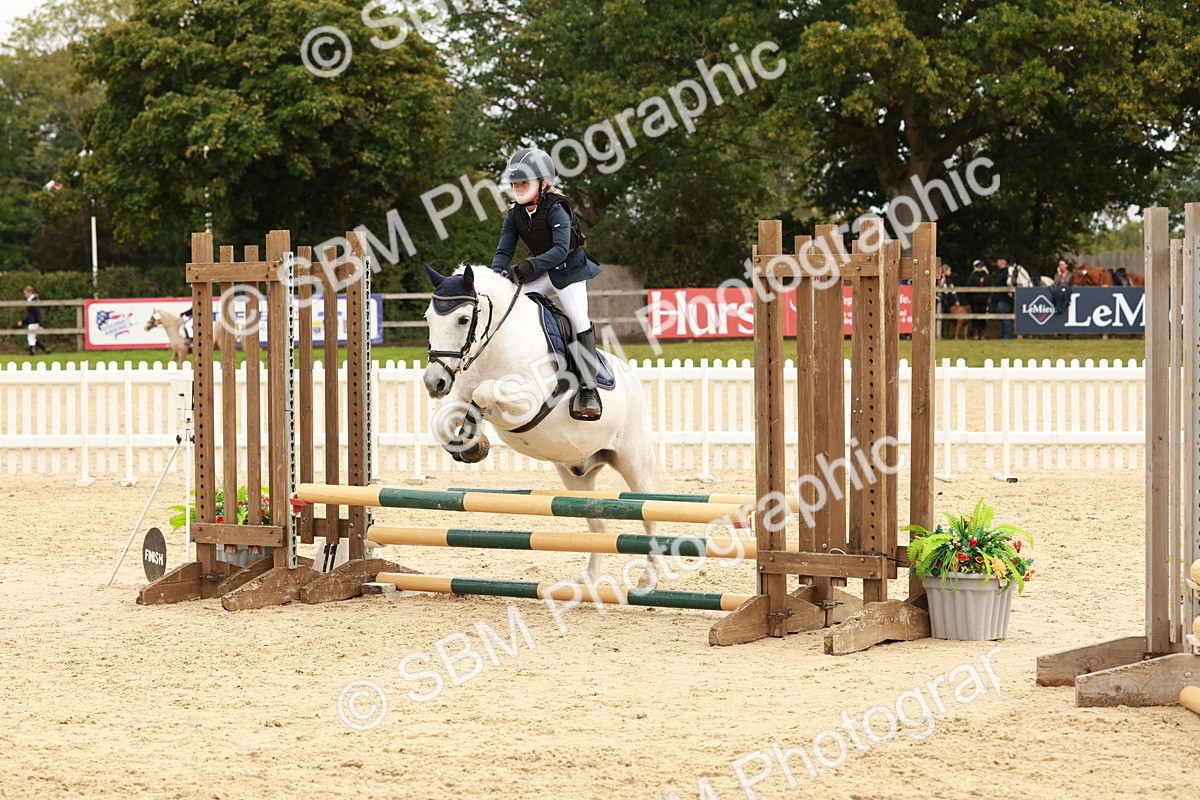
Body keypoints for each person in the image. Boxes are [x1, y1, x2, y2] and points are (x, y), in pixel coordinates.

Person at [491, 147, 604, 420]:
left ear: (543, 183)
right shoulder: (515, 214)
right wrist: (495, 275)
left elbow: (560, 250)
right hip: (541, 274)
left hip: (569, 272)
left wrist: (528, 266)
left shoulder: (557, 209)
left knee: (579, 320)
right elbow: (504, 250)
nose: (518, 188)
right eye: (515, 183)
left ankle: (589, 390)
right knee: (513, 308)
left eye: (524, 183)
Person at [16, 285, 51, 355]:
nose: (24, 295)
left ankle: (33, 352)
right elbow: (30, 314)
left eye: (25, 293)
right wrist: (23, 321)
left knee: (30, 337)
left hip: (34, 322)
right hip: (32, 322)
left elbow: (37, 313)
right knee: (32, 337)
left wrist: (40, 324)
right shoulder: (30, 301)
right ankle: (44, 349)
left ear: (30, 292)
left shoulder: (33, 301)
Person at [965, 260, 990, 340]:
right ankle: (980, 334)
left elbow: (968, 286)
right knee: (982, 315)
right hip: (982, 299)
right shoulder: (987, 276)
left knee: (976, 315)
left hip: (975, 299)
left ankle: (977, 334)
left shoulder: (972, 276)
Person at [937, 265, 958, 338]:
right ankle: (939, 333)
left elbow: (952, 290)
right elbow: (939, 286)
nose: (950, 272)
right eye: (949, 271)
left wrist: (956, 300)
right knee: (941, 317)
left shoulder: (949, 279)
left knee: (945, 317)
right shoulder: (939, 278)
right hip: (940, 300)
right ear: (944, 271)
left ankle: (944, 333)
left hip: (947, 301)